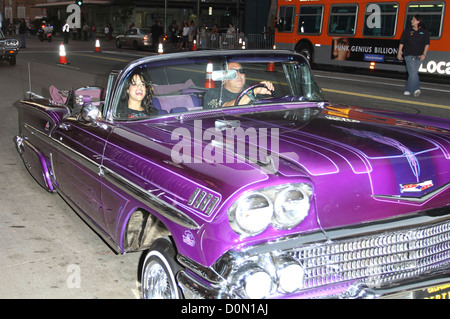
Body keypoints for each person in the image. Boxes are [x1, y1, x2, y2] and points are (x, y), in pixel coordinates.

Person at [203, 62, 275, 109]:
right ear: (223, 77)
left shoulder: (252, 90)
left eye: (241, 71)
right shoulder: (212, 94)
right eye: (233, 72)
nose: (239, 75)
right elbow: (226, 110)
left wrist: (269, 97)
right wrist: (252, 93)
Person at [397, 14, 430, 97]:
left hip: (419, 55)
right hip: (409, 54)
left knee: (413, 73)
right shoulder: (408, 31)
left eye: (413, 20)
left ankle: (408, 89)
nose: (411, 21)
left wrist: (424, 54)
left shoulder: (424, 32)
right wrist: (399, 52)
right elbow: (402, 42)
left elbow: (427, 44)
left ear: (418, 21)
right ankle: (416, 89)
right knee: (413, 73)